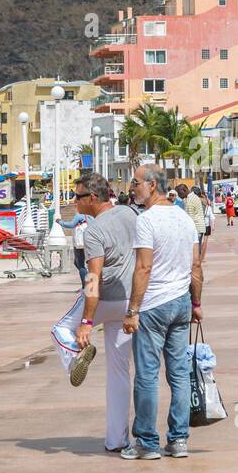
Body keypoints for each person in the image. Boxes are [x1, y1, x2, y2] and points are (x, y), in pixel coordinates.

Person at [47, 172, 138, 451]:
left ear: (93, 198)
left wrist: (87, 322)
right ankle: (116, 440)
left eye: (78, 197)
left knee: (60, 329)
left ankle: (75, 356)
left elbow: (93, 278)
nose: (74, 202)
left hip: (104, 299)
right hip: (128, 304)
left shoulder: (94, 231)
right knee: (120, 372)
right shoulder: (130, 214)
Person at [121, 164, 203, 460]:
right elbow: (196, 267)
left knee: (147, 375)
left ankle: (146, 442)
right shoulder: (185, 218)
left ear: (152, 185)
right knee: (179, 374)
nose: (132, 188)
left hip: (153, 306)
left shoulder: (146, 220)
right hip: (181, 303)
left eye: (136, 183)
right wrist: (196, 303)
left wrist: (132, 310)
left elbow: (143, 267)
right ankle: (179, 440)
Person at [58, 210, 90, 284]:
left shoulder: (79, 215)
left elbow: (71, 225)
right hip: (90, 241)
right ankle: (87, 276)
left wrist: (59, 222)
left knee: (79, 263)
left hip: (80, 243)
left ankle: (85, 285)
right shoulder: (91, 214)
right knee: (80, 262)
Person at [181, 183, 206, 251]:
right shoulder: (192, 197)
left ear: (184, 190)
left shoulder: (190, 199)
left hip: (196, 228)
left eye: (181, 194)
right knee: (197, 250)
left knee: (195, 251)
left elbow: (189, 217)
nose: (180, 196)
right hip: (199, 227)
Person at [195, 186, 213, 260]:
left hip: (198, 223)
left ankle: (197, 255)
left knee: (198, 241)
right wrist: (213, 225)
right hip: (207, 224)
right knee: (205, 242)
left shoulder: (196, 201)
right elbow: (212, 216)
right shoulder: (206, 203)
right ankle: (202, 257)